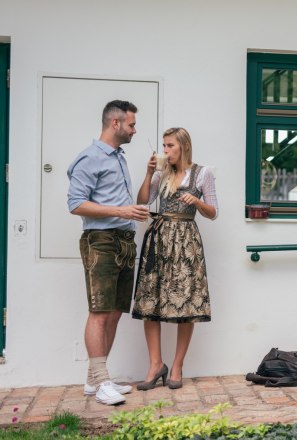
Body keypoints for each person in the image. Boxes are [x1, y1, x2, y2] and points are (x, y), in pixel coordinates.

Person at [67, 100, 147, 406]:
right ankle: (101, 383)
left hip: (124, 241)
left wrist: (129, 214)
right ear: (115, 124)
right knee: (99, 311)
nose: (134, 130)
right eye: (131, 124)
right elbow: (75, 204)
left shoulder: (118, 157)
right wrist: (121, 210)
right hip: (100, 241)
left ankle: (94, 380)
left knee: (114, 312)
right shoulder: (89, 158)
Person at [132, 127, 218, 390]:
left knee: (187, 304)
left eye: (170, 146)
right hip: (158, 240)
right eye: (164, 145)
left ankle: (177, 365)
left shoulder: (203, 173)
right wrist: (148, 174)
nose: (165, 151)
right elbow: (143, 202)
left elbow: (214, 212)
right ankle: (155, 364)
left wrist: (197, 202)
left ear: (183, 147)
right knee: (150, 302)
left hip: (186, 243)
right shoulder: (161, 173)